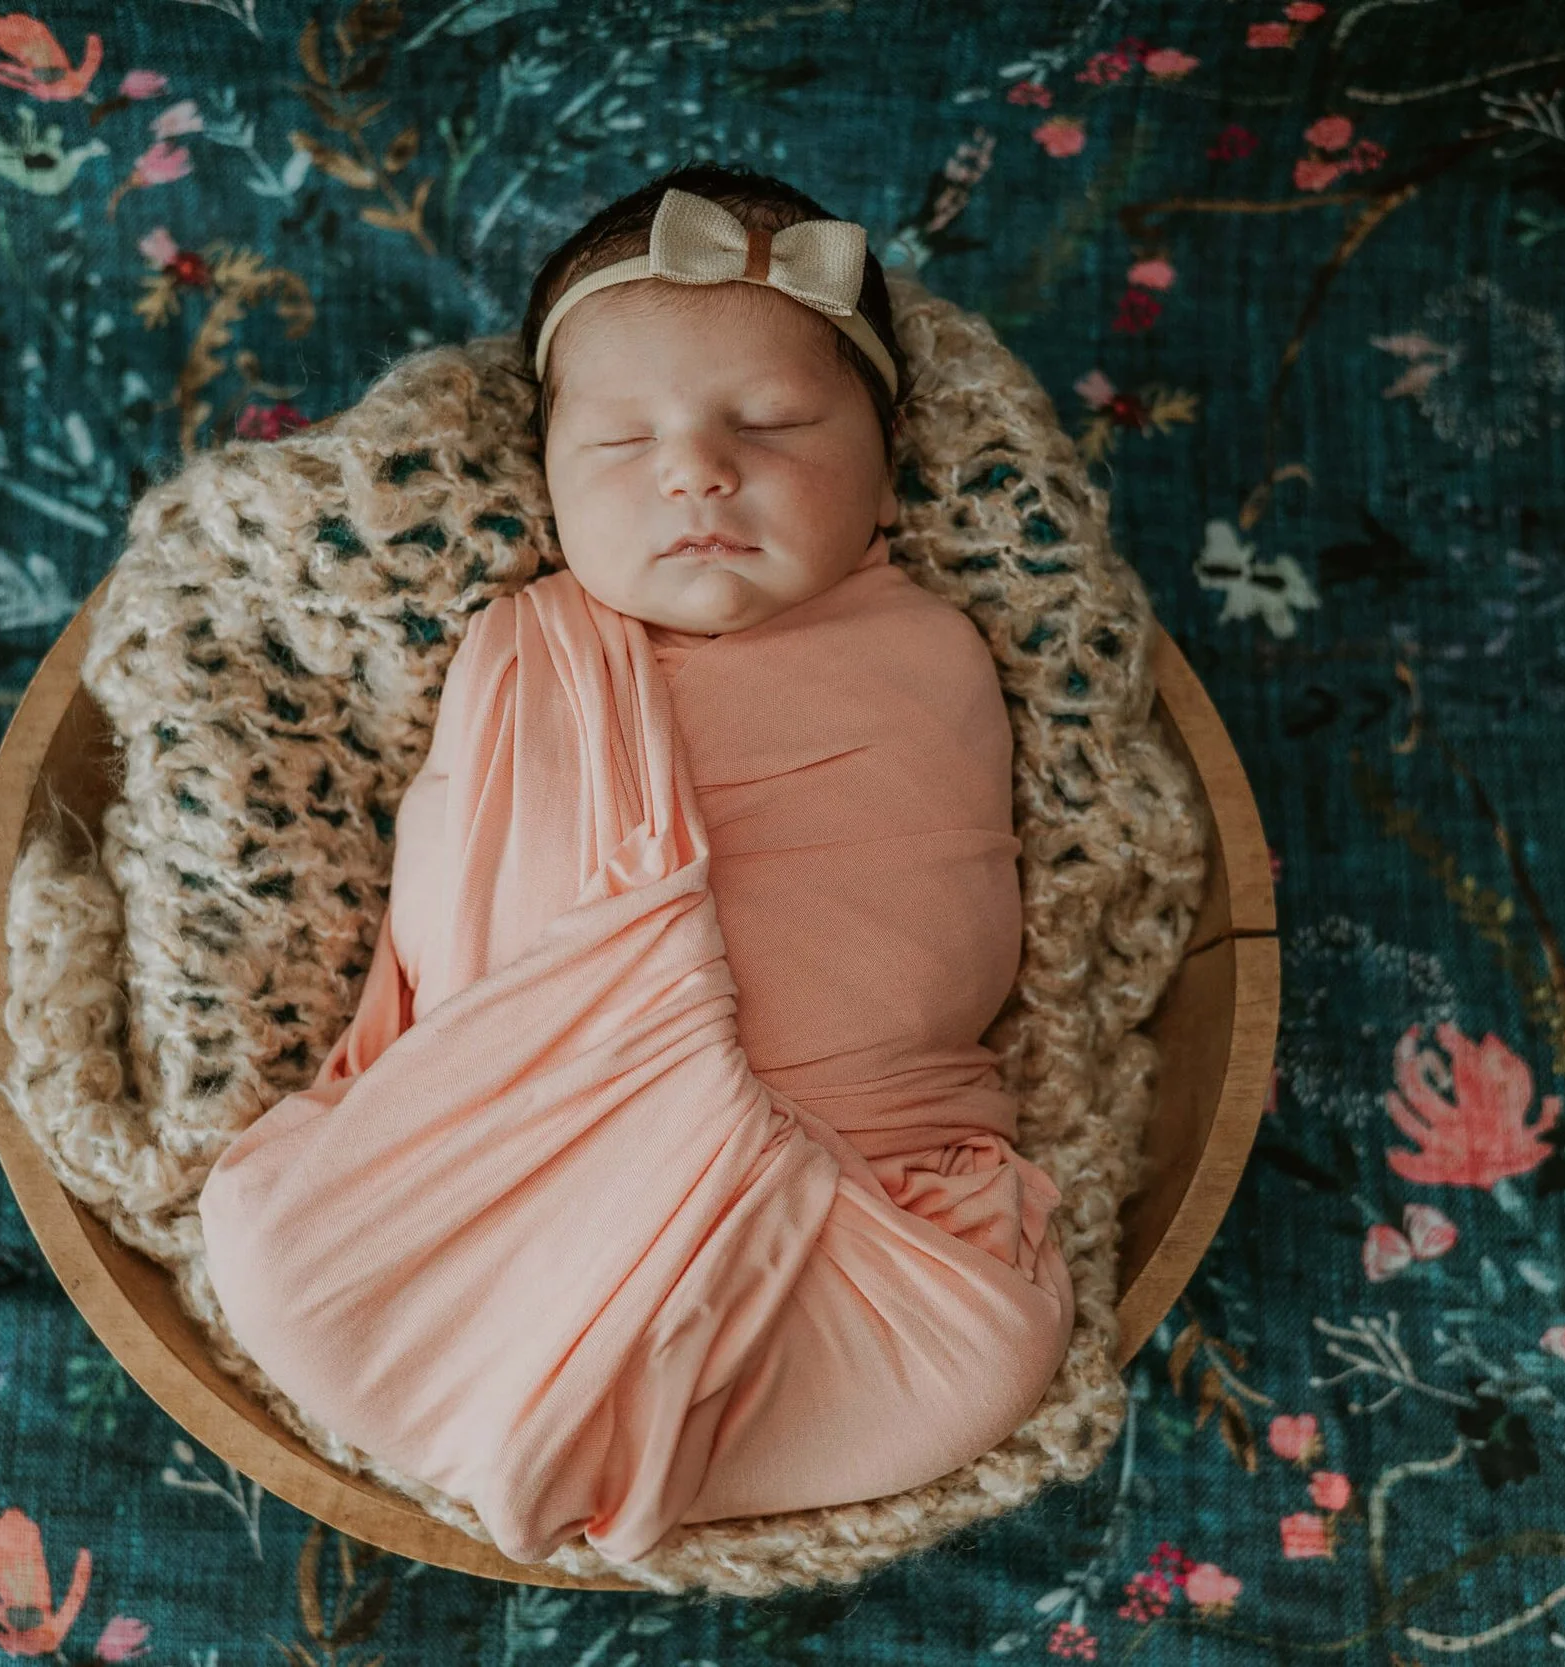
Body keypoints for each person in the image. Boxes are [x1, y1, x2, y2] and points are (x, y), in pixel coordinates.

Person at [196, 163, 1075, 1567]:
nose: (697, 468)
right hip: (505, 1167)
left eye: (776, 421)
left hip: (843, 1195)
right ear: (546, 476)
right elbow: (436, 905)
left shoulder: (942, 652)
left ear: (887, 457)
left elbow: (956, 911)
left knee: (985, 1348)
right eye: (620, 441)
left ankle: (649, 1373)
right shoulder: (525, 653)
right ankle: (558, 1331)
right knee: (275, 1258)